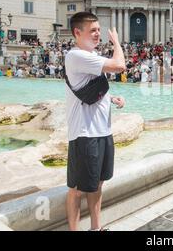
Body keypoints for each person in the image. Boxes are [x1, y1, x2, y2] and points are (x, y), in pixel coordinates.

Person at [65, 12, 126, 231]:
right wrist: (117, 42)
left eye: (99, 30)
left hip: (102, 132)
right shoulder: (76, 55)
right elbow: (120, 65)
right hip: (84, 134)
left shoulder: (89, 57)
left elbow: (88, 90)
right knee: (77, 189)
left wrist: (111, 98)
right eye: (93, 30)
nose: (98, 33)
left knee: (98, 184)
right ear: (77, 33)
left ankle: (96, 228)